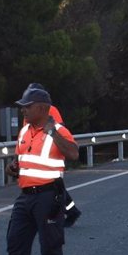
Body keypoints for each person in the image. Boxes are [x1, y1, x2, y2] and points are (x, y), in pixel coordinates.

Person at [0, 86, 78, 255]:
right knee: (15, 243)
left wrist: (53, 133)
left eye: (27, 107)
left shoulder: (58, 130)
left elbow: (73, 154)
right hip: (25, 196)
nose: (23, 112)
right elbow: (23, 161)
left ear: (41, 108)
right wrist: (14, 168)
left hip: (49, 196)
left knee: (50, 246)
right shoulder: (24, 131)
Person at [23, 83, 81, 227]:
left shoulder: (51, 109)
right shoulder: (29, 110)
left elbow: (59, 130)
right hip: (36, 156)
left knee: (53, 187)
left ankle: (66, 212)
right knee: (50, 187)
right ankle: (70, 210)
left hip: (49, 155)